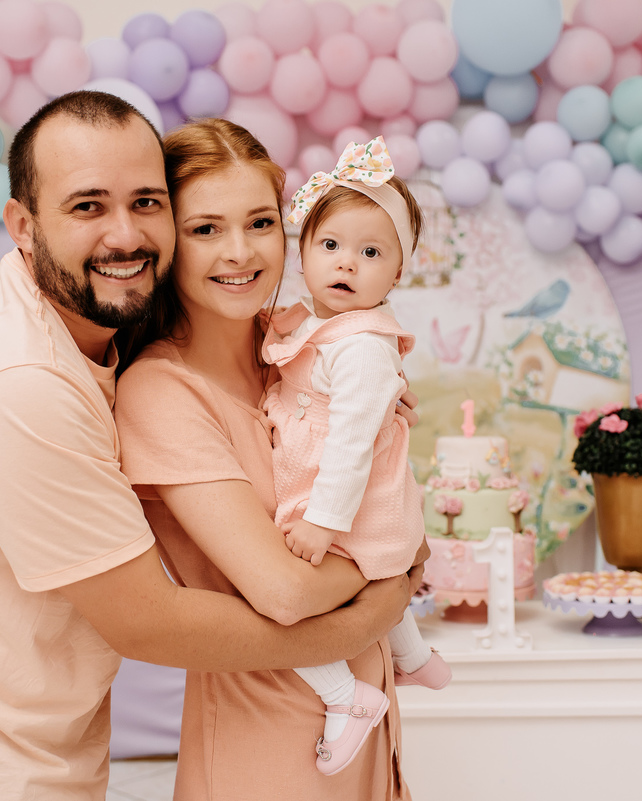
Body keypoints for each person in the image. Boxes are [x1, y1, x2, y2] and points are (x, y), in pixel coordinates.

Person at [0, 92, 415, 801]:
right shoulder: (22, 381)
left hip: (61, 738)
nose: (124, 235)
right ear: (23, 226)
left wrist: (368, 415)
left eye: (144, 203)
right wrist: (386, 593)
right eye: (87, 206)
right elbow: (163, 616)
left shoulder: (272, 351)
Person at [115, 118, 422, 799]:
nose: (240, 251)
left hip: (367, 723)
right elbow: (286, 592)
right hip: (268, 742)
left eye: (259, 223)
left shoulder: (304, 349)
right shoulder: (161, 392)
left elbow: (383, 482)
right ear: (166, 243)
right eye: (205, 228)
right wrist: (393, 583)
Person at [263, 136, 452, 775]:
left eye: (371, 253)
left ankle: (347, 696)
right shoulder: (317, 323)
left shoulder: (363, 345)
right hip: (337, 499)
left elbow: (349, 445)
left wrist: (324, 520)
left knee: (287, 607)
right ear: (303, 252)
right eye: (330, 245)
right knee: (370, 584)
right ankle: (414, 657)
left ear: (397, 273)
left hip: (345, 506)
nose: (347, 263)